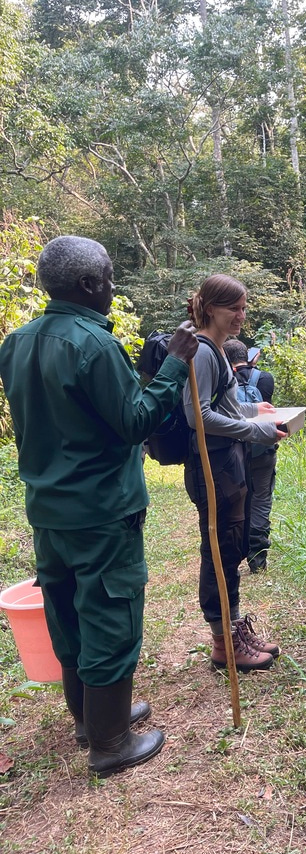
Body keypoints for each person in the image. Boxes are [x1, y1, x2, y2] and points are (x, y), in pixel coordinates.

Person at [0, 235, 198, 778]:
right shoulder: (94, 344)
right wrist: (176, 364)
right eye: (109, 277)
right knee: (109, 613)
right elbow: (134, 421)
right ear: (90, 285)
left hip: (48, 508)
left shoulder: (15, 343)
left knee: (66, 612)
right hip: (101, 510)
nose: (113, 286)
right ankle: (110, 742)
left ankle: (91, 717)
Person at [183, 275, 286, 673]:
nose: (241, 316)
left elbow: (221, 408)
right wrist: (254, 428)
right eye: (234, 309)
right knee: (220, 551)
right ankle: (224, 642)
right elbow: (198, 416)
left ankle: (235, 628)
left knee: (232, 546)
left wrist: (252, 412)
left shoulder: (218, 349)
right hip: (213, 467)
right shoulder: (203, 351)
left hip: (228, 463)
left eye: (244, 308)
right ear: (211, 309)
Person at [223, 340, 278, 574]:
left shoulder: (225, 382)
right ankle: (258, 558)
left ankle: (234, 554)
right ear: (249, 356)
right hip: (263, 448)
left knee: (237, 502)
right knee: (261, 499)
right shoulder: (265, 379)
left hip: (235, 451)